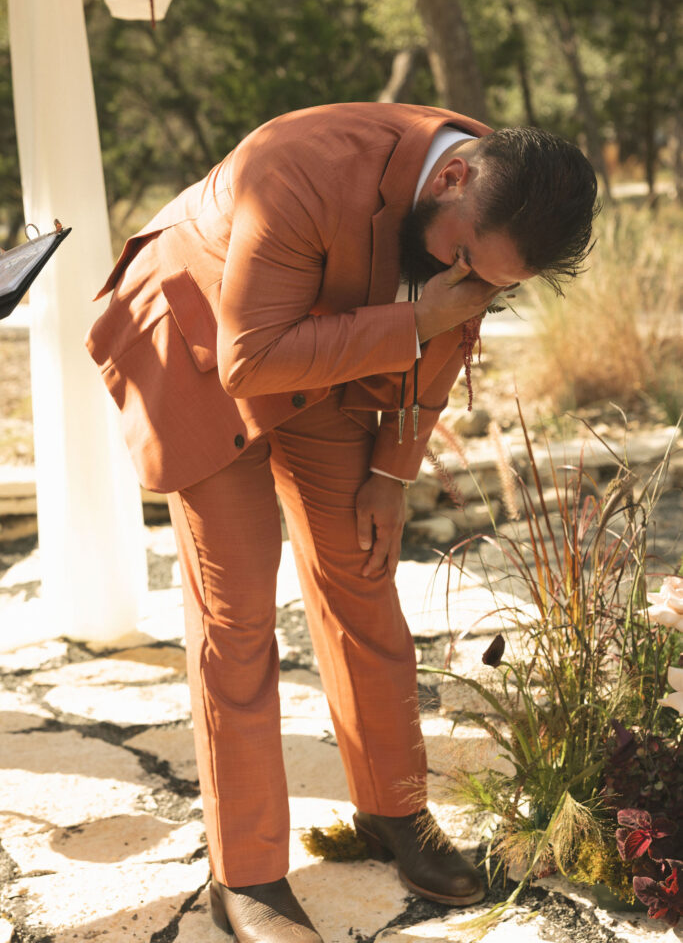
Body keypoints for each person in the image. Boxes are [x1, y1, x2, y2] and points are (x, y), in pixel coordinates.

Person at [86, 102, 598, 943]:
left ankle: (392, 812)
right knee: (239, 614)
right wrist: (417, 319)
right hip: (207, 349)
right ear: (451, 178)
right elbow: (252, 360)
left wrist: (393, 471)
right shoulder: (297, 168)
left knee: (361, 573)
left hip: (331, 349)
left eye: (491, 281)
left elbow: (445, 335)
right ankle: (244, 872)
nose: (469, 281)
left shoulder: (495, 197)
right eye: (464, 258)